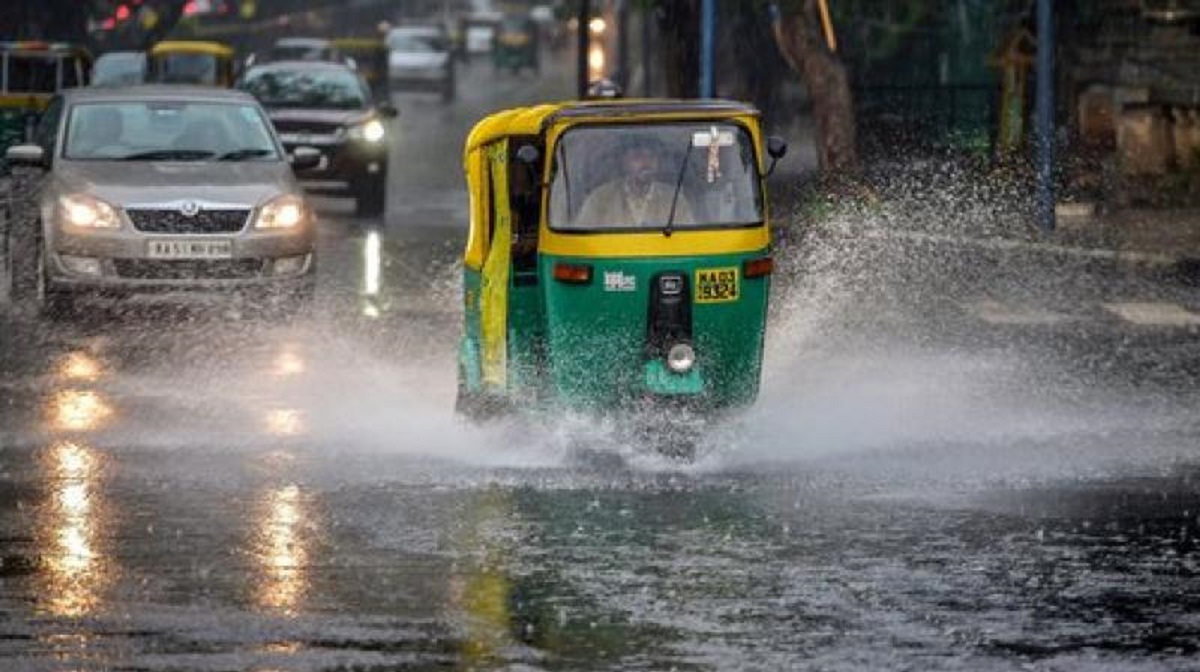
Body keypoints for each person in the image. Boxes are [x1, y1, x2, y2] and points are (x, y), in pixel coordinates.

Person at [575, 136, 693, 228]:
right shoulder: (600, 199)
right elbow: (583, 241)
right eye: (638, 156)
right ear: (624, 162)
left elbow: (689, 241)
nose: (646, 163)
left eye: (651, 156)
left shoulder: (674, 200)